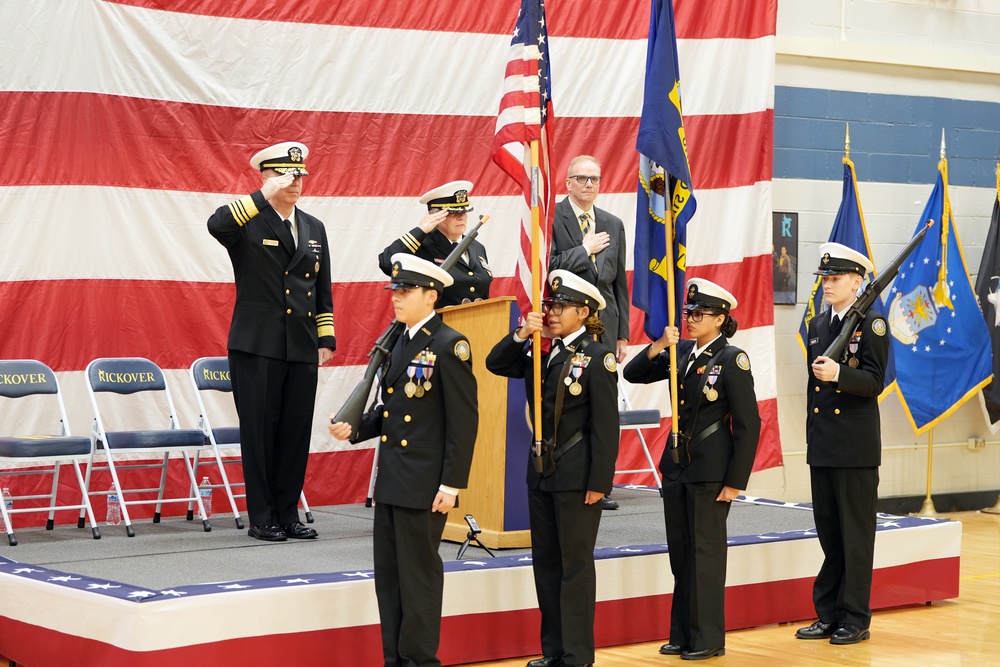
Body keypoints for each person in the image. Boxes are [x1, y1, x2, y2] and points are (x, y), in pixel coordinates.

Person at [329, 254, 478, 667]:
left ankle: (419, 660)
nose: (396, 297)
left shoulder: (450, 345)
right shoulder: (398, 340)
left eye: (406, 290)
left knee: (419, 580)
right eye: (395, 289)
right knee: (390, 579)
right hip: (393, 477)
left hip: (426, 482)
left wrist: (451, 484)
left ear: (431, 296)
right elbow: (390, 410)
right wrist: (354, 428)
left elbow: (463, 421)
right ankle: (394, 658)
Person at [485, 270, 620, 667]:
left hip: (578, 475)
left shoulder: (598, 357)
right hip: (541, 472)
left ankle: (577, 654)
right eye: (549, 306)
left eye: (561, 306)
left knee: (574, 567)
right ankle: (554, 650)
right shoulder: (542, 350)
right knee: (546, 563)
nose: (552, 312)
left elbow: (605, 426)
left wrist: (600, 482)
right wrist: (523, 334)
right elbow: (496, 362)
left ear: (584, 311)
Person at [623, 278, 760, 661]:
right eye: (689, 312)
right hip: (678, 466)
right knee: (681, 554)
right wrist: (659, 345)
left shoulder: (732, 360)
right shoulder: (681, 352)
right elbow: (633, 373)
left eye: (699, 314)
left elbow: (748, 424)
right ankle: (683, 634)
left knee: (706, 554)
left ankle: (708, 638)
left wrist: (735, 481)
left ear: (720, 319)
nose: (691, 319)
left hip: (711, 469)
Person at [207, 141, 334, 543]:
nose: (296, 183)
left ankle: (288, 512)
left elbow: (322, 287)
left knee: (295, 433)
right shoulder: (248, 220)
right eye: (286, 176)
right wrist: (264, 195)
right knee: (260, 433)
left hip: (300, 344)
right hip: (257, 344)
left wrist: (325, 335)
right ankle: (262, 516)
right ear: (266, 176)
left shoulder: (314, 227)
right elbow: (216, 224)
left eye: (300, 176)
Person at [795, 242, 888, 646]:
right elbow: (812, 392)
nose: (827, 285)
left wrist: (839, 375)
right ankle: (828, 614)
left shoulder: (872, 323)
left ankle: (855, 617)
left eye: (834, 279)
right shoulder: (818, 325)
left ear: (856, 281)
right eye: (824, 279)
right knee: (830, 536)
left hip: (854, 447)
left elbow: (873, 382)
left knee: (855, 537)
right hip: (825, 446)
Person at [549, 155, 629, 511]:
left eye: (594, 179)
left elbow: (620, 285)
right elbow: (547, 266)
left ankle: (601, 482)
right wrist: (584, 250)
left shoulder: (613, 223)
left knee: (603, 404)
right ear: (568, 183)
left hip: (605, 327)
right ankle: (564, 474)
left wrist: (623, 332)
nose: (588, 185)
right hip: (567, 323)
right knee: (568, 399)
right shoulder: (553, 217)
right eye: (581, 178)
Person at [378, 180, 492, 307]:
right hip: (439, 324)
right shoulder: (421, 246)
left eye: (464, 211)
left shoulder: (477, 247)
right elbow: (387, 263)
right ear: (434, 215)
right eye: (453, 212)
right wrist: (420, 231)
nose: (461, 217)